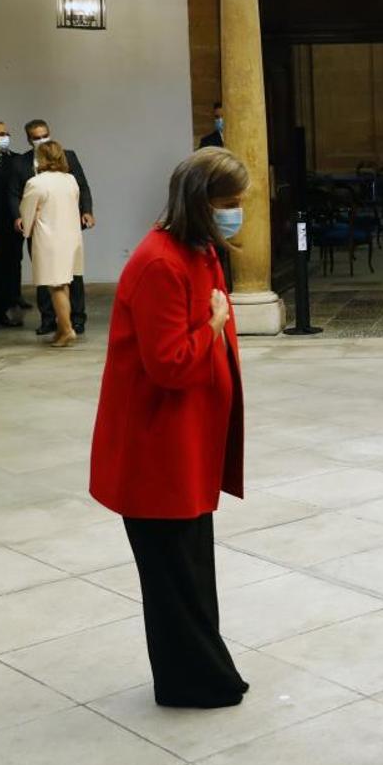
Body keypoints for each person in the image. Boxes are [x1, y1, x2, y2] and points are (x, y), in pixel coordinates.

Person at [89, 147, 250, 709]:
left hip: (186, 446)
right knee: (174, 581)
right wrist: (213, 326)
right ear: (201, 203)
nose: (237, 214)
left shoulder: (197, 250)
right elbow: (171, 364)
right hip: (157, 452)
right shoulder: (161, 262)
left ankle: (205, 673)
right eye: (229, 204)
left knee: (190, 574)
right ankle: (192, 682)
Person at [9, 119, 94, 336]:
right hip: (42, 229)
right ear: (29, 139)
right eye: (36, 137)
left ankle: (75, 321)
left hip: (61, 226)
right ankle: (48, 319)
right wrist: (20, 219)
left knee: (70, 277)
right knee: (45, 278)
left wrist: (87, 211)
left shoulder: (68, 160)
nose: (41, 140)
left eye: (44, 135)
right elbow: (13, 193)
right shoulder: (20, 163)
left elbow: (82, 187)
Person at [19, 141, 85, 347]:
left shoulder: (36, 183)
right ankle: (62, 329)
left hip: (49, 239)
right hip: (71, 237)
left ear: (41, 159)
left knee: (55, 286)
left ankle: (66, 330)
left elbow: (26, 211)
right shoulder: (71, 179)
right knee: (63, 283)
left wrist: (27, 229)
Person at [0, 119, 24, 328]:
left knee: (6, 273)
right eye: (1, 134)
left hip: (10, 228)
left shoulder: (11, 160)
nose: (5, 137)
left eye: (6, 133)